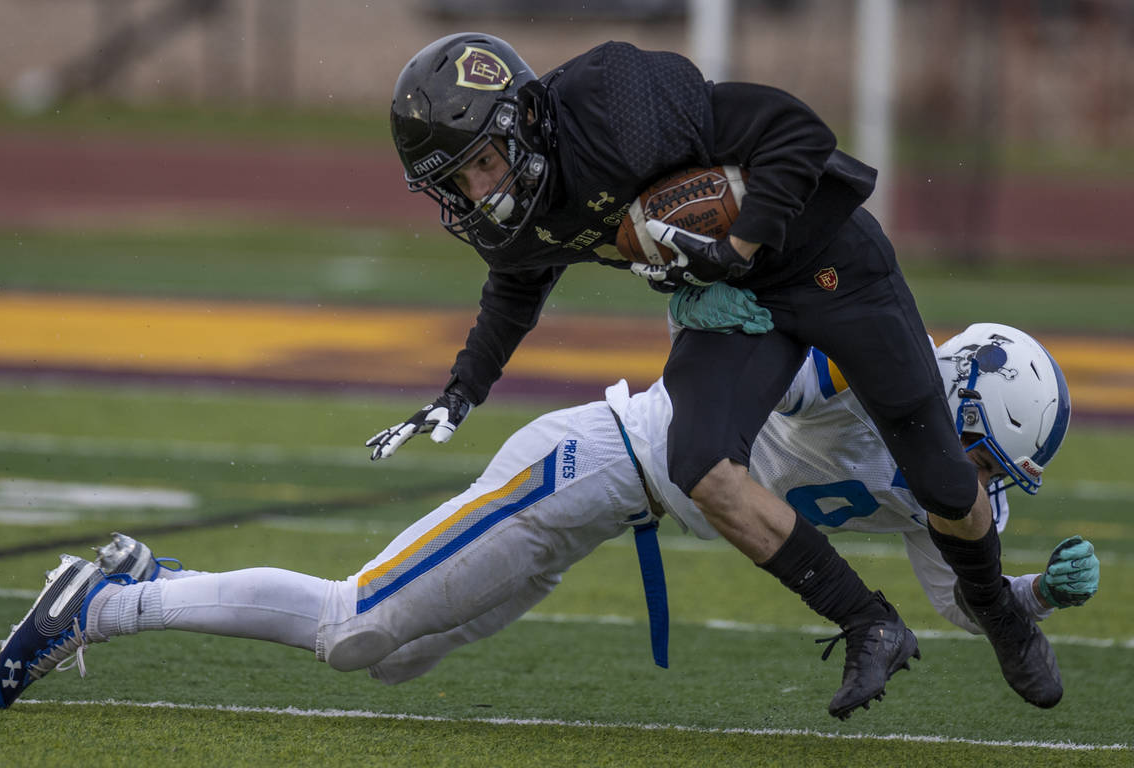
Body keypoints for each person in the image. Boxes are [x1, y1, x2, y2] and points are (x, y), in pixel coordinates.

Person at [368, 33, 1066, 711]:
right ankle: (868, 622)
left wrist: (738, 244)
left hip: (828, 261)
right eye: (456, 180)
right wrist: (464, 388)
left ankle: (1002, 616)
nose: (478, 191)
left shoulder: (614, 104)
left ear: (520, 119)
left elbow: (801, 133)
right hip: (740, 302)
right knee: (700, 462)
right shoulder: (519, 200)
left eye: (482, 163)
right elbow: (519, 281)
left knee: (945, 484)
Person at [0, 323, 1096, 717]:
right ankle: (108, 601)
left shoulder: (945, 473)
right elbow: (779, 372)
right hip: (591, 463)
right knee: (357, 625)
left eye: (990, 470)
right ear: (944, 393)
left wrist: (1034, 591)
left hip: (610, 517)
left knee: (393, 664)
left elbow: (960, 594)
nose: (971, 483)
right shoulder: (851, 374)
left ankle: (151, 574)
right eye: (976, 452)